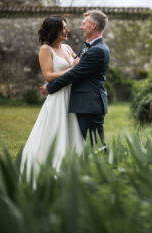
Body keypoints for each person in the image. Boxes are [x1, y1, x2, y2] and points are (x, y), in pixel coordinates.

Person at [21, 15, 84, 177]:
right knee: (55, 130)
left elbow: (81, 64)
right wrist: (72, 70)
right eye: (63, 28)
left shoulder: (68, 48)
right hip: (58, 97)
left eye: (66, 27)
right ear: (54, 30)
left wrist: (78, 66)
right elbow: (48, 76)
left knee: (73, 131)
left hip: (73, 95)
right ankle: (50, 168)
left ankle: (72, 169)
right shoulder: (45, 50)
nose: (66, 31)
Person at [40, 10, 110, 147]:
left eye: (84, 24)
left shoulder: (98, 50)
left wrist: (50, 88)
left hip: (90, 104)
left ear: (94, 26)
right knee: (82, 145)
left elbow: (74, 73)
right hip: (80, 102)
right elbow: (75, 65)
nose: (81, 27)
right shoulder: (87, 45)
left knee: (96, 146)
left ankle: (106, 167)